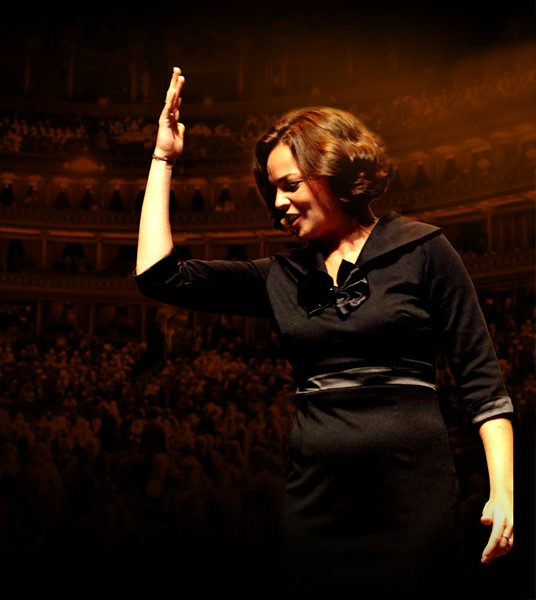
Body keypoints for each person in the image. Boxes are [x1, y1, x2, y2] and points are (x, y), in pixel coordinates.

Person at [133, 67, 514, 595]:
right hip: (315, 508)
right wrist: (163, 160)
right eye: (272, 191)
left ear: (333, 171)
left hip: (414, 502)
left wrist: (503, 491)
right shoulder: (280, 276)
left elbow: (483, 386)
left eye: (290, 185)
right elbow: (157, 276)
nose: (278, 204)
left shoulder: (424, 249)